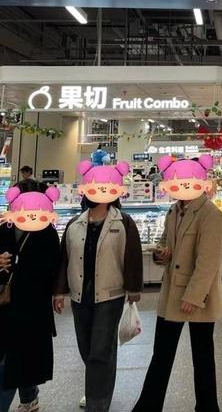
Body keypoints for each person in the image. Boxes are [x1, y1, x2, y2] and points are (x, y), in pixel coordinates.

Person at [133, 155, 222, 412]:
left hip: (198, 297)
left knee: (202, 356)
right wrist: (162, 253)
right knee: (161, 354)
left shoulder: (210, 213)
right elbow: (166, 242)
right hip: (172, 291)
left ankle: (208, 407)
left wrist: (193, 296)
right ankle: (148, 407)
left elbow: (208, 262)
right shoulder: (174, 210)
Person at [54, 161, 142, 412]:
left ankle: (97, 402)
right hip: (80, 296)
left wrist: (133, 288)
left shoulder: (123, 222)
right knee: (87, 348)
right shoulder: (75, 224)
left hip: (110, 295)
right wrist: (59, 292)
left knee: (100, 350)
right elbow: (64, 258)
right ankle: (98, 388)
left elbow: (132, 256)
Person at [0, 188, 60, 412]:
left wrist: (17, 262)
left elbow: (52, 266)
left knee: (20, 355)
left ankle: (26, 398)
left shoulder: (46, 232)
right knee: (15, 354)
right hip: (7, 302)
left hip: (32, 304)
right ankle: (28, 397)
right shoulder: (4, 228)